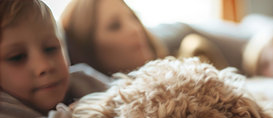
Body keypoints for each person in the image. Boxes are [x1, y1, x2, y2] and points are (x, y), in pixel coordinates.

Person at [0, 0, 110, 118]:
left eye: (51, 48)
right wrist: (93, 109)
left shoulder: (83, 79)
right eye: (17, 57)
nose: (44, 66)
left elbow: (130, 99)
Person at [60, 0, 228, 76]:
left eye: (133, 17)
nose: (135, 29)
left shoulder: (179, 43)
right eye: (115, 26)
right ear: (87, 48)